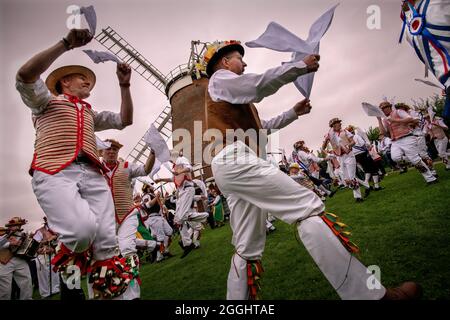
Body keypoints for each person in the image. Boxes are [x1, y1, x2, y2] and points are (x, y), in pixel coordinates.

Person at [204, 40, 419, 300]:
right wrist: (299, 67)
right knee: (307, 207)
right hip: (236, 161)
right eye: (240, 57)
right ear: (225, 62)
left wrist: (293, 113)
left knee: (246, 247)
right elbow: (256, 84)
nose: (245, 62)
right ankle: (369, 297)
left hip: (230, 166)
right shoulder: (220, 80)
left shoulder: (231, 96)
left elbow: (263, 128)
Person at [15, 27, 135, 299]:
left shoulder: (90, 113)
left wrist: (124, 86)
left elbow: (125, 120)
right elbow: (24, 75)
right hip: (55, 172)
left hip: (92, 173)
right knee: (81, 232)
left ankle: (105, 293)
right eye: (81, 77)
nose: (87, 81)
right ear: (64, 82)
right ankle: (69, 275)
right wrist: (66, 43)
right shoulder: (45, 102)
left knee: (106, 242)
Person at [101, 138, 157, 299]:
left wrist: (152, 152)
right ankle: (112, 289)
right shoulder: (94, 168)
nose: (112, 151)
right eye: (108, 149)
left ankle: (133, 293)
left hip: (127, 214)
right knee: (109, 254)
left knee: (127, 249)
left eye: (115, 149)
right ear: (101, 151)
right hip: (106, 219)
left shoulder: (126, 166)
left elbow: (145, 169)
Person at [377, 102, 437, 184]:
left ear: (389, 107)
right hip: (395, 141)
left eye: (384, 108)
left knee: (415, 160)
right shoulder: (384, 119)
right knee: (395, 158)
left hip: (407, 137)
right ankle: (416, 159)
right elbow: (384, 133)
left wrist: (393, 120)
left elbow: (410, 119)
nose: (382, 110)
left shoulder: (398, 111)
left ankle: (431, 179)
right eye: (381, 109)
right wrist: (379, 120)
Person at [323, 118, 371, 202]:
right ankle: (366, 185)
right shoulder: (330, 135)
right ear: (333, 125)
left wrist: (349, 145)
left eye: (339, 123)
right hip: (340, 157)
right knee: (346, 180)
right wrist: (328, 152)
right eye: (337, 123)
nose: (340, 124)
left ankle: (358, 197)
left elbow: (353, 142)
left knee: (351, 178)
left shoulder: (345, 132)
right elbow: (323, 147)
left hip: (349, 155)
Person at [0, 217, 33, 300]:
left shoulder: (23, 235)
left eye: (19, 225)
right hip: (5, 261)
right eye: (15, 225)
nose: (18, 227)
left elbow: (27, 246)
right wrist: (9, 244)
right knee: (5, 288)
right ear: (10, 226)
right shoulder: (3, 234)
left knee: (27, 282)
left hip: (20, 259)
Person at [33, 217, 60, 298]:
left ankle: (55, 290)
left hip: (52, 254)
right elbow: (35, 245)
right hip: (42, 255)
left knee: (54, 273)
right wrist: (48, 240)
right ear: (46, 222)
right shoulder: (40, 231)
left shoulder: (57, 231)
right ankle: (45, 293)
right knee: (43, 275)